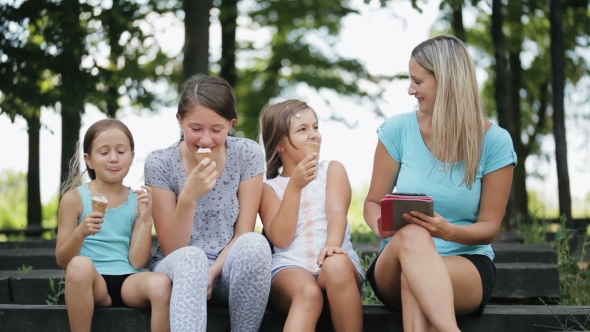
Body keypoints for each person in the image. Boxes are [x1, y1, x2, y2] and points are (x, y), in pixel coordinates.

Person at [363, 35, 517, 332]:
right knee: (412, 237)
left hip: (466, 263)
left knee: (417, 277)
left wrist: (449, 231)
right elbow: (372, 202)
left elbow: (489, 227)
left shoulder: (495, 142)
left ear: (446, 81)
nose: (411, 90)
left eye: (418, 82)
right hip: (393, 265)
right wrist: (380, 225)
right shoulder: (397, 130)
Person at [144, 74, 272, 332]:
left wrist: (212, 272)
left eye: (217, 130)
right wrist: (189, 196)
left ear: (231, 124)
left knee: (256, 243)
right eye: (195, 129)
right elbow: (172, 248)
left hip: (226, 270)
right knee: (191, 258)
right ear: (180, 121)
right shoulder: (160, 163)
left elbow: (244, 232)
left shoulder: (247, 154)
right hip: (177, 268)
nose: (205, 140)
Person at [56, 119, 172, 332]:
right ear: (89, 160)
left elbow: (137, 262)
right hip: (91, 283)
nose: (113, 158)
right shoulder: (75, 199)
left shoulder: (137, 200)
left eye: (121, 151)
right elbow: (63, 260)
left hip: (128, 280)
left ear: (132, 157)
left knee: (162, 284)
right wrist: (81, 232)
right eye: (104, 152)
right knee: (79, 265)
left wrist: (146, 220)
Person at [259, 99, 365, 332]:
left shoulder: (332, 169)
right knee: (308, 293)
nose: (313, 135)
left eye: (315, 127)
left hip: (334, 259)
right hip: (290, 267)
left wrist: (332, 247)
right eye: (302, 130)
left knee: (336, 265)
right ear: (279, 145)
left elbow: (337, 211)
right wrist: (294, 187)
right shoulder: (269, 188)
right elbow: (281, 239)